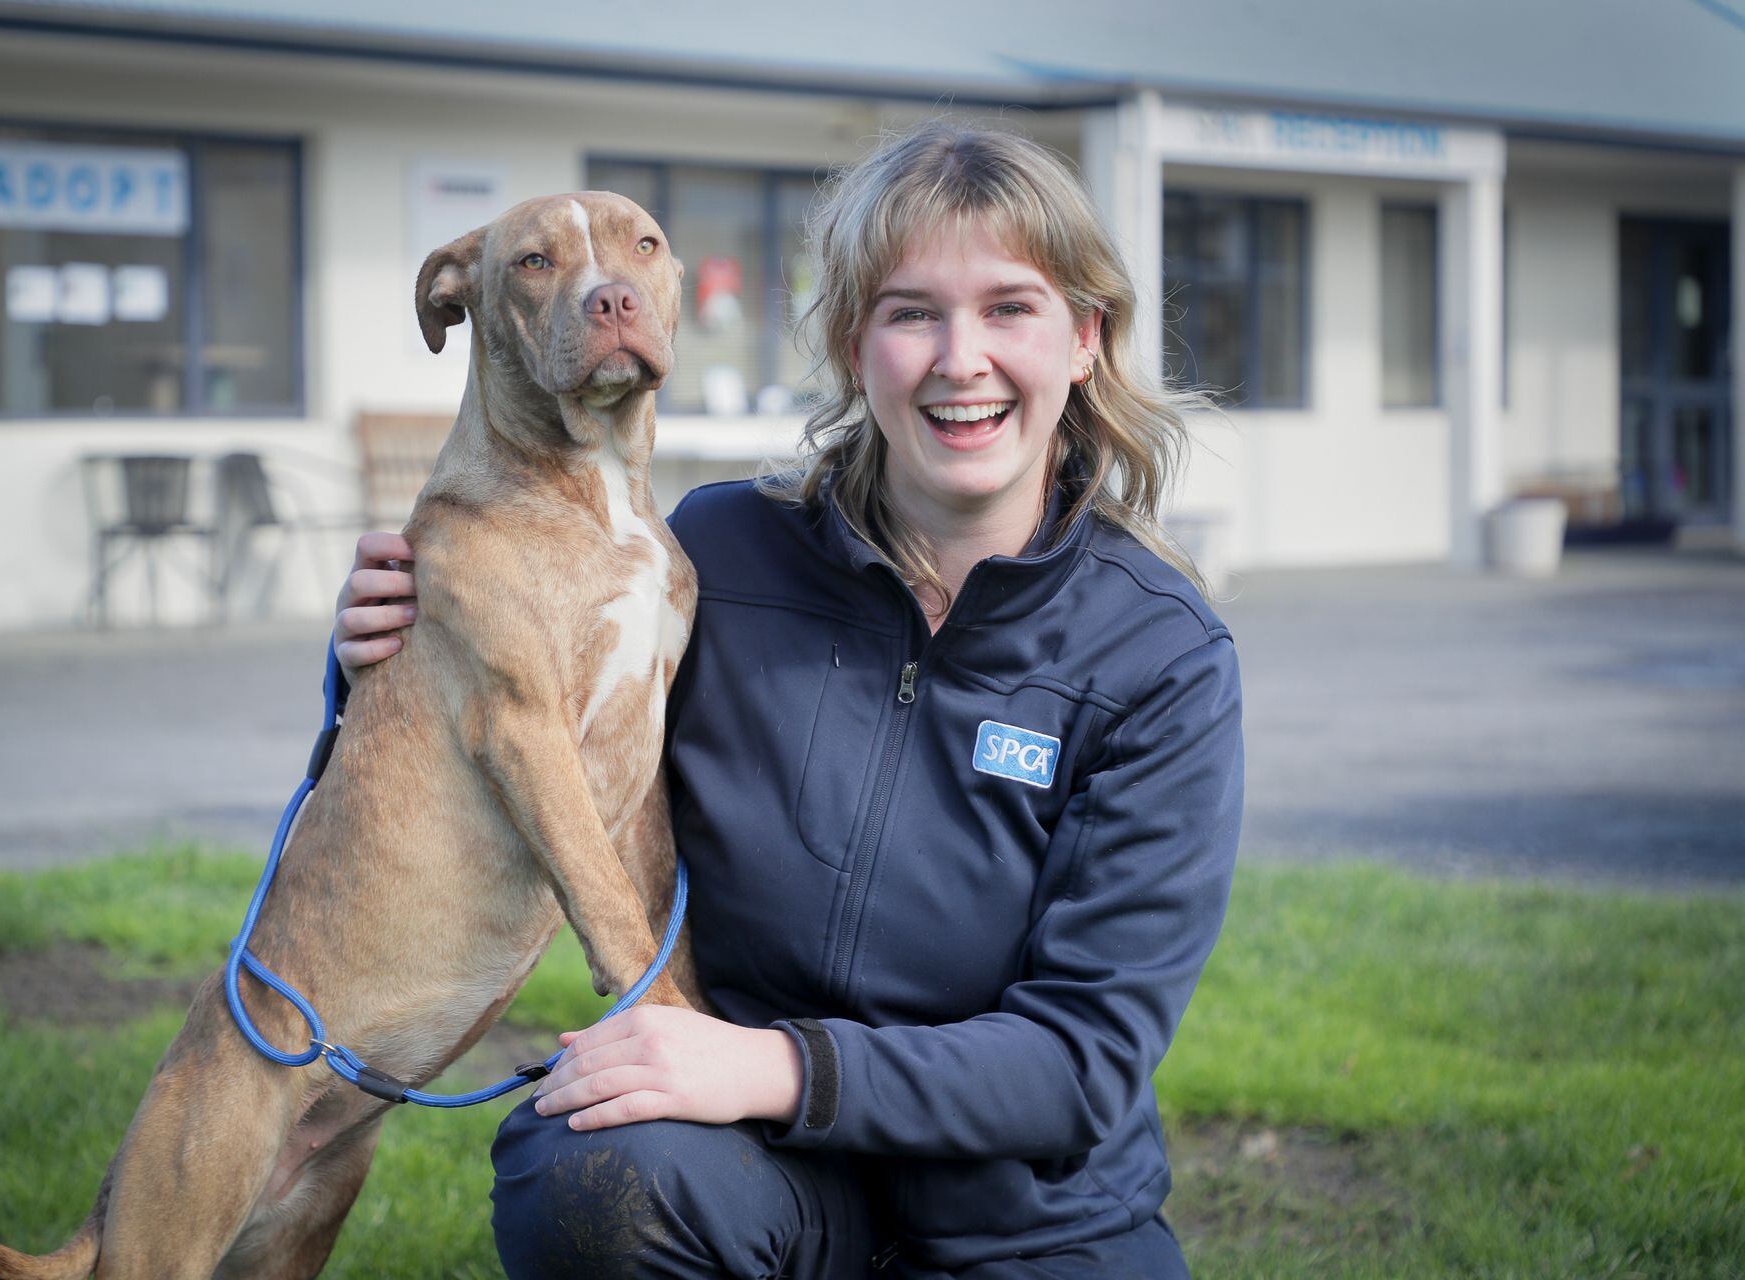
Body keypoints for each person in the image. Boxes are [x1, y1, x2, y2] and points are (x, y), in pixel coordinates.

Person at [332, 121, 1243, 1278]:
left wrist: (775, 1066)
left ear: (1082, 339)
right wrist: (387, 644)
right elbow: (514, 717)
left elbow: (1080, 1058)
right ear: (854, 342)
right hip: (764, 1173)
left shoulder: (1160, 653)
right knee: (587, 1170)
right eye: (912, 312)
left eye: (1010, 307)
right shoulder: (714, 556)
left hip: (1035, 1220)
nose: (961, 358)